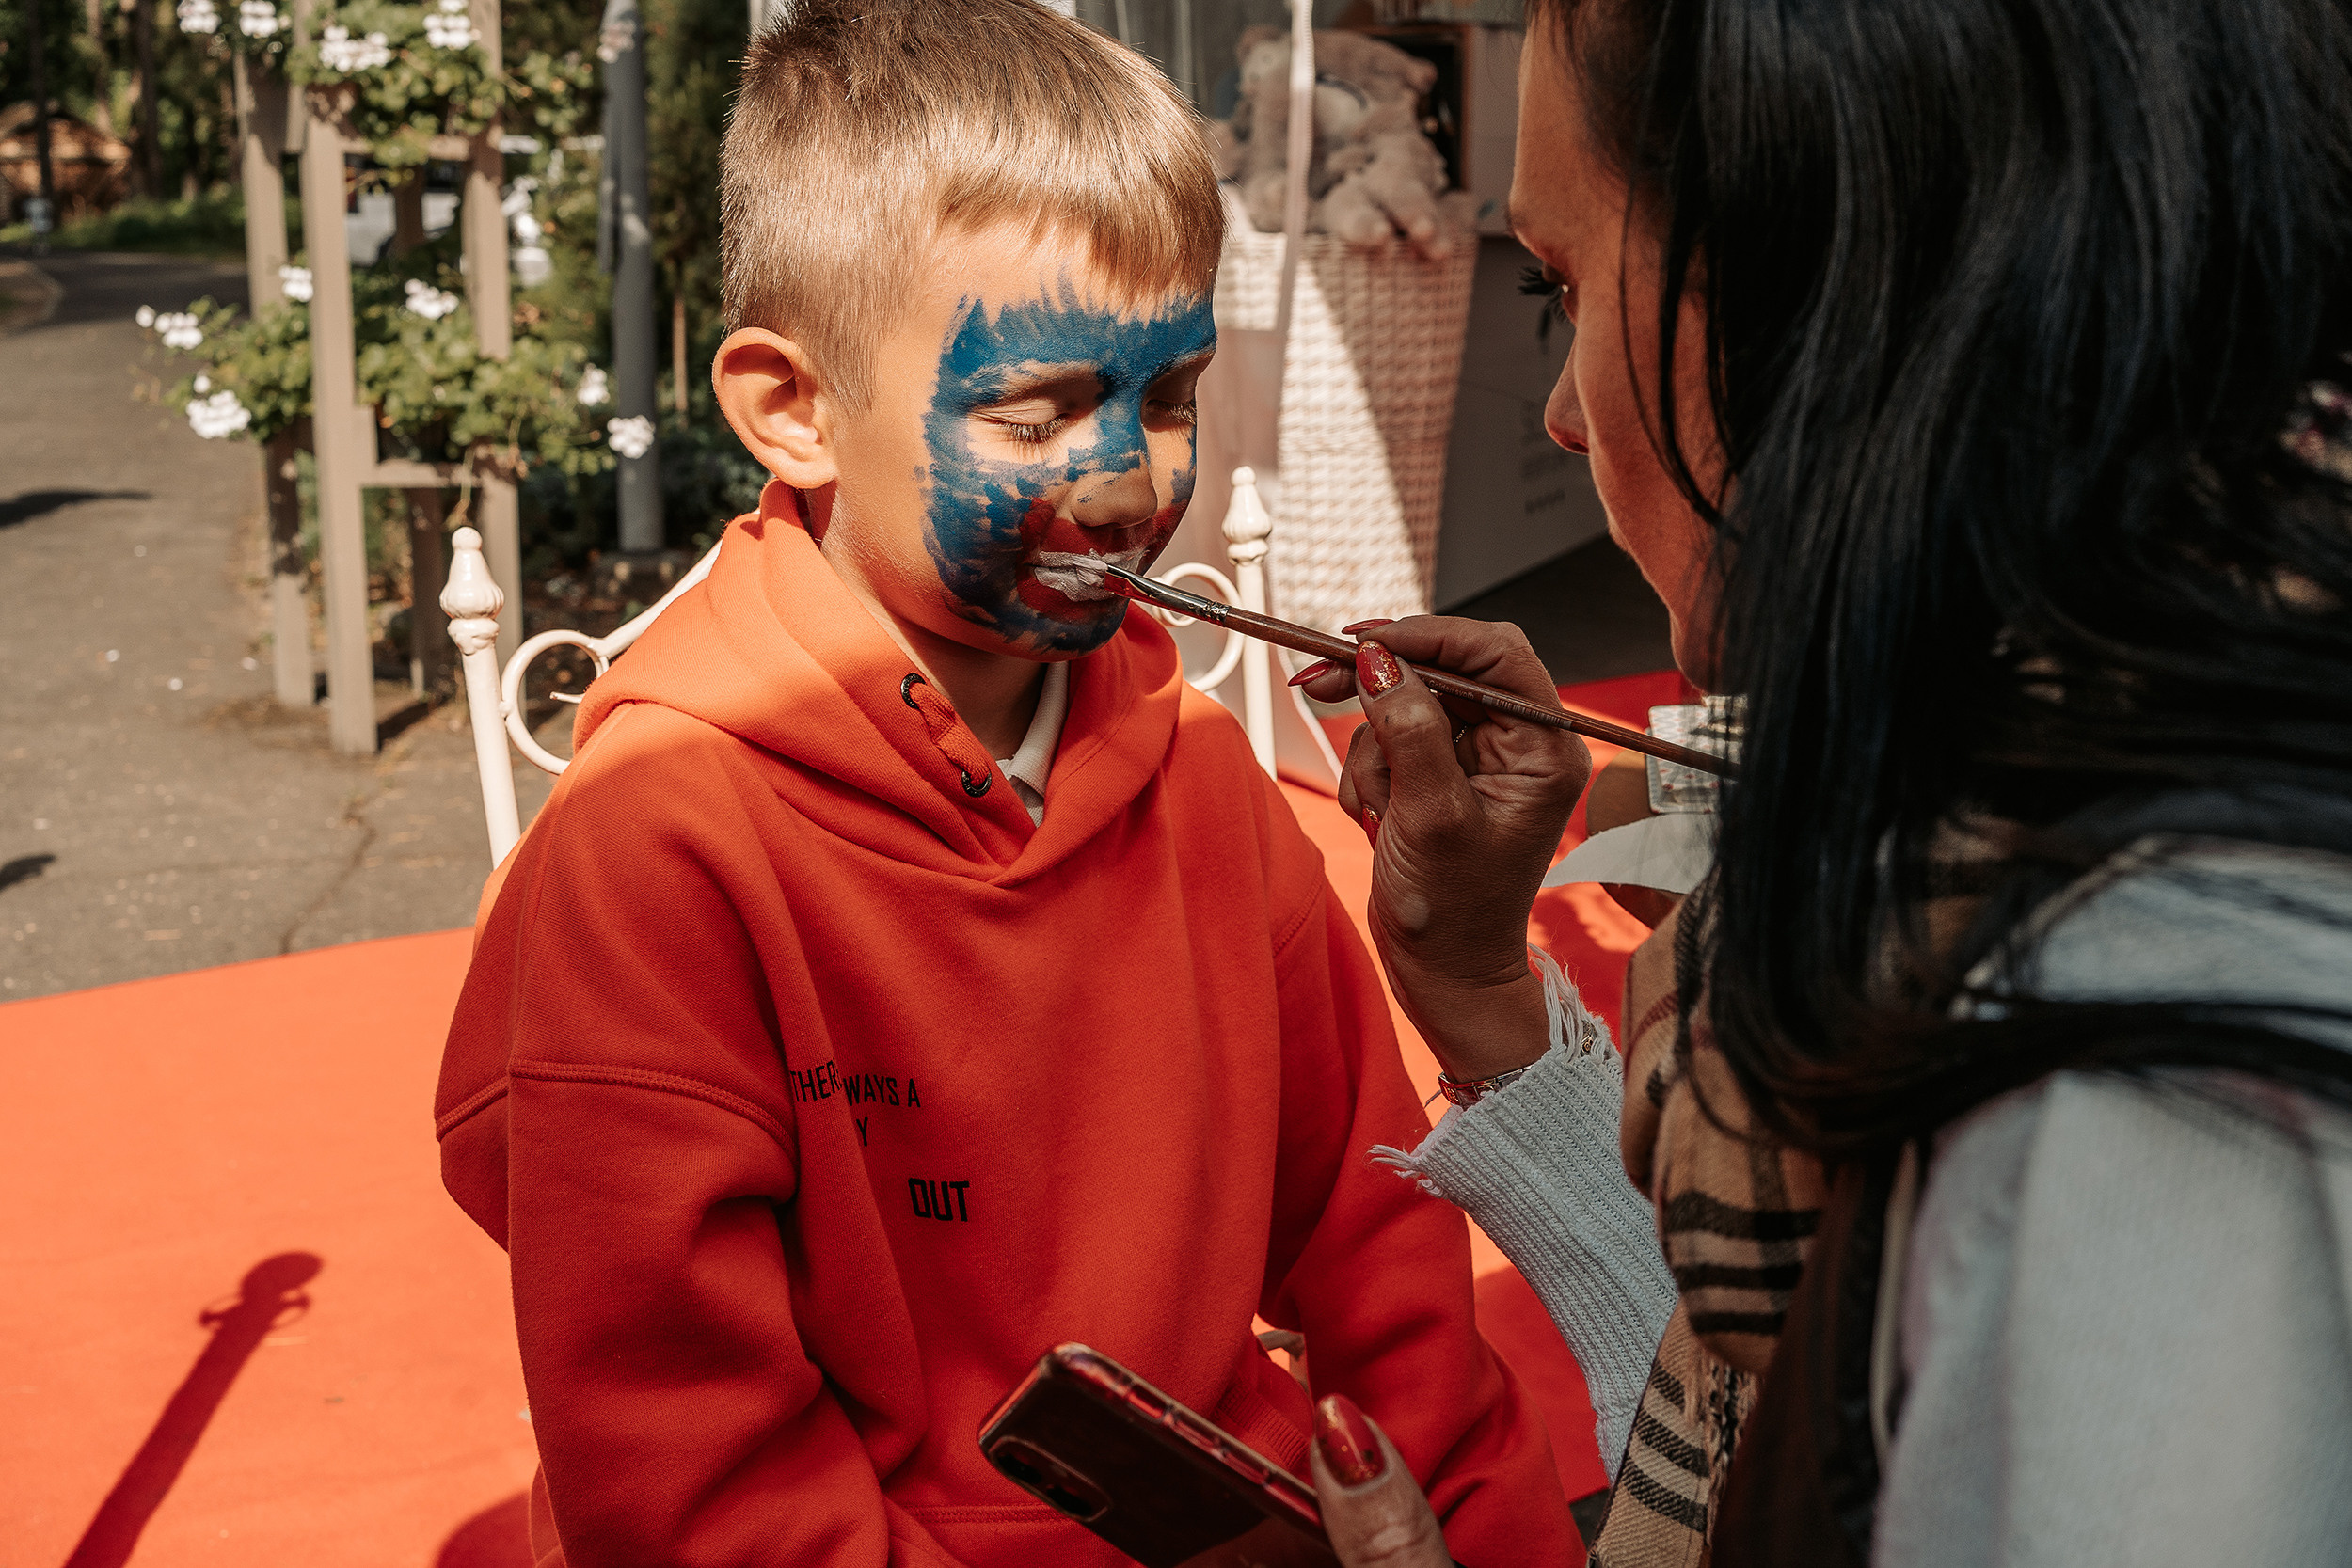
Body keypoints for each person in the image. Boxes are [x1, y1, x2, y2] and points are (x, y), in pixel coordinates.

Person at [433, 3, 1580, 1565]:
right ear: (794, 407)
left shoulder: (1207, 780)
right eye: (1033, 414)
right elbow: (689, 1484)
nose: (1128, 484)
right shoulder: (656, 853)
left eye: (1169, 399)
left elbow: (1379, 1257)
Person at [1292, 0, 2352, 1562]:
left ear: (1837, 295)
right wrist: (1479, 987)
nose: (1566, 412)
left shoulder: (2139, 1098)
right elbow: (1783, 1385)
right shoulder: (2000, 856)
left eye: (1563, 286)